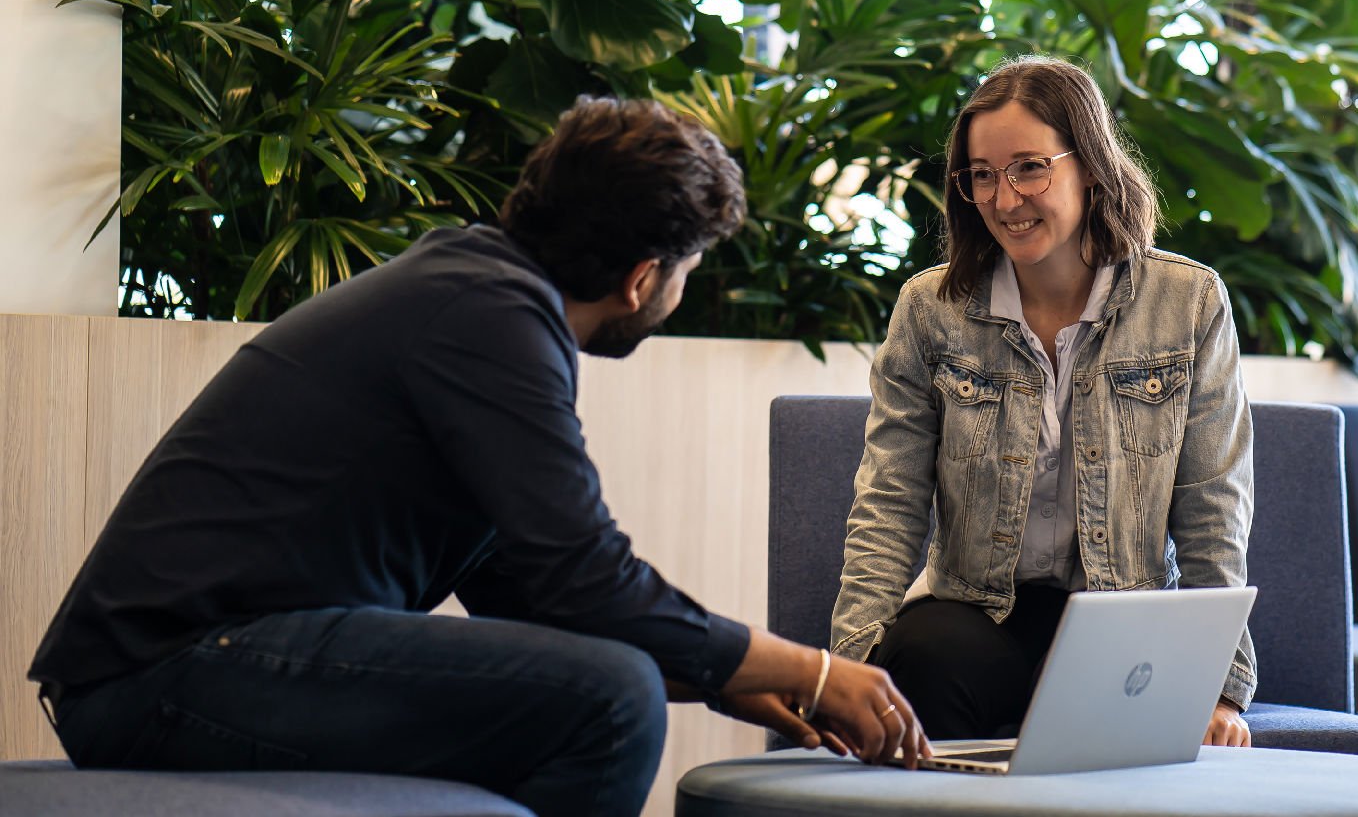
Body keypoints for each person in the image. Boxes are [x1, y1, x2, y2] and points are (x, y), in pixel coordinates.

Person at [30, 97, 927, 817]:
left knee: (605, 683)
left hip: (187, 663)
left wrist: (717, 682)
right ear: (642, 278)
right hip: (169, 672)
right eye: (687, 271)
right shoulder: (489, 318)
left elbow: (537, 598)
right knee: (612, 699)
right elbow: (588, 579)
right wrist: (808, 669)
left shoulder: (477, 296)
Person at [829, 56, 1258, 746]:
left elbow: (1214, 507)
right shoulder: (930, 310)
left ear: (1090, 165)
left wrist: (1219, 686)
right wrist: (850, 665)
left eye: (1029, 168)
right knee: (922, 658)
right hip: (976, 612)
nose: (1005, 200)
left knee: (1112, 692)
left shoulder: (1188, 302)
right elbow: (890, 501)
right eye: (982, 175)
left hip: (1121, 617)